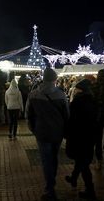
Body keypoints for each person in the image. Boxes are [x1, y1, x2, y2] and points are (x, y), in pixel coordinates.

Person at [25, 68, 69, 201]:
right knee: (54, 157)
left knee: (46, 159)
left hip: (41, 132)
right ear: (55, 79)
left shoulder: (33, 94)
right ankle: (52, 181)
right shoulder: (61, 95)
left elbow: (28, 115)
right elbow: (67, 115)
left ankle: (49, 187)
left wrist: (33, 129)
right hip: (57, 132)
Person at [65, 79, 98, 199]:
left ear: (81, 90)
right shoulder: (93, 101)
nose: (75, 90)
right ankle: (73, 179)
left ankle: (90, 191)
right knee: (82, 161)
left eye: (77, 89)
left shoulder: (76, 102)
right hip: (89, 137)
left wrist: (67, 134)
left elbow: (72, 121)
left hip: (78, 137)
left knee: (83, 164)